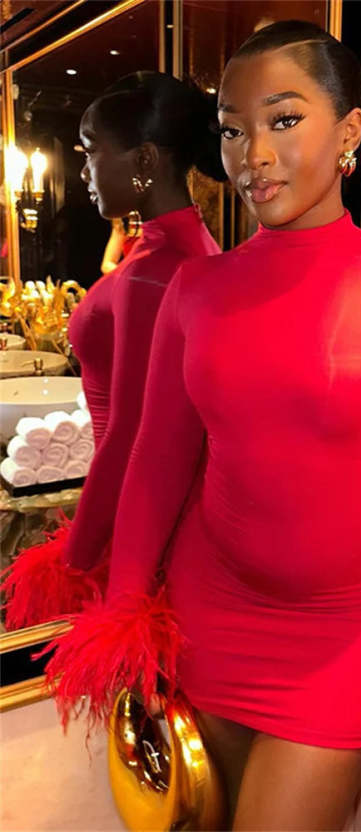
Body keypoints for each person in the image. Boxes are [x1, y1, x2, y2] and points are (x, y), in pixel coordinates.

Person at [45, 22, 361, 826]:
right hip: (208, 615)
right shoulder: (197, 289)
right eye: (232, 130)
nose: (253, 155)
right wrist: (126, 614)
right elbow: (157, 463)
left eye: (284, 119)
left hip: (342, 635)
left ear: (350, 131)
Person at [1, 71, 224, 630]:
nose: (83, 171)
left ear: (144, 160)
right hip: (153, 512)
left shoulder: (157, 268)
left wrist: (77, 558)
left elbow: (131, 435)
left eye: (91, 150)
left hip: (136, 524)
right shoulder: (179, 247)